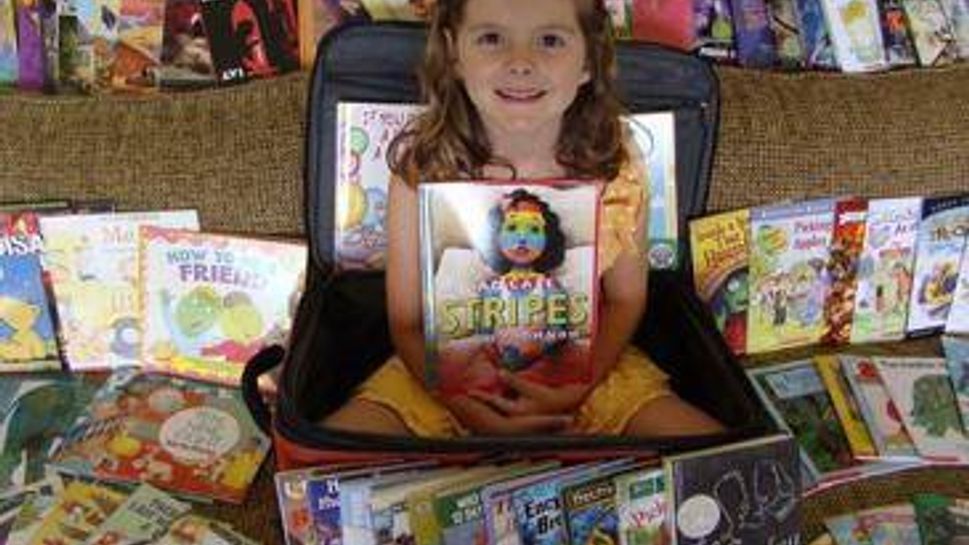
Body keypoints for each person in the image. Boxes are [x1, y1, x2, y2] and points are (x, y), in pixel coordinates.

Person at [323, 0, 724, 437]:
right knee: (327, 462)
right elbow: (406, 322)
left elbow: (626, 299)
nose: (520, 63)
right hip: (440, 373)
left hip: (587, 366)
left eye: (550, 40)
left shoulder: (616, 166)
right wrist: (461, 404)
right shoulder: (422, 169)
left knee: (713, 448)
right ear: (454, 53)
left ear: (589, 60)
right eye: (492, 38)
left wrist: (576, 389)